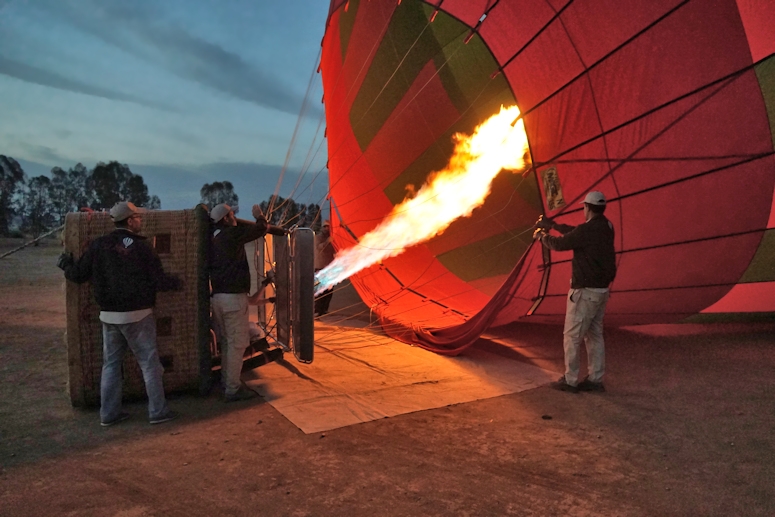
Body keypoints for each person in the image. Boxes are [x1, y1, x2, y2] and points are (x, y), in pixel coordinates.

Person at [57, 201, 181, 426]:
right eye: (138, 218)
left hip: (109, 316)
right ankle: (158, 411)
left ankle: (109, 414)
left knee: (111, 365)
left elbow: (78, 274)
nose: (140, 221)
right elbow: (158, 280)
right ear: (131, 220)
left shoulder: (98, 245)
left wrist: (66, 265)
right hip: (139, 315)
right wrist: (178, 282)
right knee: (149, 364)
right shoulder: (143, 247)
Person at [533, 191, 616, 393]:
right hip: (601, 291)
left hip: (585, 292)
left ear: (587, 207)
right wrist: (553, 225)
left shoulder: (588, 230)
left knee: (572, 336)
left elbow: (561, 244)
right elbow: (575, 232)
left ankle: (570, 380)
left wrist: (541, 236)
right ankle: (596, 380)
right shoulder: (606, 226)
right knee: (594, 335)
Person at [208, 203, 286, 402]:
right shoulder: (229, 235)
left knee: (228, 343)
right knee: (238, 345)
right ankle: (232, 390)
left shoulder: (214, 238)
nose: (235, 217)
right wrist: (259, 216)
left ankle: (228, 382)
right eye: (232, 214)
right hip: (233, 299)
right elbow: (260, 229)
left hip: (218, 298)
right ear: (226, 218)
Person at [314, 220, 335, 316]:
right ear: (322, 227)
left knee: (329, 290)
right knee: (321, 290)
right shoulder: (318, 237)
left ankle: (324, 309)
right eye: (325, 227)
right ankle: (317, 310)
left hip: (330, 267)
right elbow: (319, 248)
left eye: (328, 227)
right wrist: (327, 241)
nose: (327, 228)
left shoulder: (332, 238)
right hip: (320, 267)